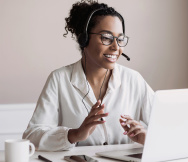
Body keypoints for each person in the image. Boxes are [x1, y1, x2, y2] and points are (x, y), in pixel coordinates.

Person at [22, 0, 154, 151]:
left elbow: (168, 128)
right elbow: (31, 136)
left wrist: (147, 137)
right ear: (83, 39)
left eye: (120, 39)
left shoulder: (134, 79)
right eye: (106, 37)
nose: (116, 47)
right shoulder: (59, 79)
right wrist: (75, 134)